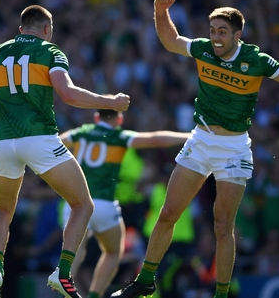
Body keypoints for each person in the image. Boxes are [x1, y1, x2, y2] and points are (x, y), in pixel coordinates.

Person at [110, 0, 279, 298]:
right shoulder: (204, 50)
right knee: (168, 213)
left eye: (222, 32)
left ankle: (222, 293)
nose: (215, 37)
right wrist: (160, 11)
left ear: (237, 35)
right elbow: (171, 40)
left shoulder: (255, 60)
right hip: (200, 140)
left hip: (234, 148)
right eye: (212, 30)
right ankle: (146, 280)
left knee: (222, 224)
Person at [0, 5, 131, 298]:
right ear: (47, 29)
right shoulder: (50, 51)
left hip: (4, 144)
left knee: (2, 211)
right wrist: (109, 102)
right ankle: (63, 273)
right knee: (83, 204)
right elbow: (67, 94)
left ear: (21, 29)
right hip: (40, 140)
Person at [59, 109, 190, 298]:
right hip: (103, 204)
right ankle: (95, 295)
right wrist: (190, 136)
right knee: (113, 251)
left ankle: (62, 286)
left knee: (75, 250)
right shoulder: (119, 136)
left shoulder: (81, 132)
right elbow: (155, 139)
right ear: (119, 118)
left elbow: (54, 144)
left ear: (96, 117)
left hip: (75, 204)